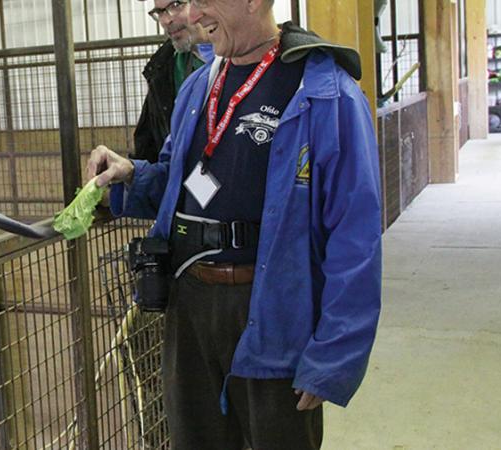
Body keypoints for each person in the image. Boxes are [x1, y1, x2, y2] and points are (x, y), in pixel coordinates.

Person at [88, 0, 382, 448]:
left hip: (272, 312)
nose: (194, 13)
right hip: (190, 307)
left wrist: (334, 357)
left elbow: (355, 237)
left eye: (205, 0)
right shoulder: (198, 88)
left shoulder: (326, 91)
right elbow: (179, 182)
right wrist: (131, 173)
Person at [134, 0, 214, 163]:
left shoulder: (245, 58)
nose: (165, 21)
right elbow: (150, 148)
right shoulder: (162, 70)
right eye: (160, 12)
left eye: (176, 5)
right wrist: (132, 172)